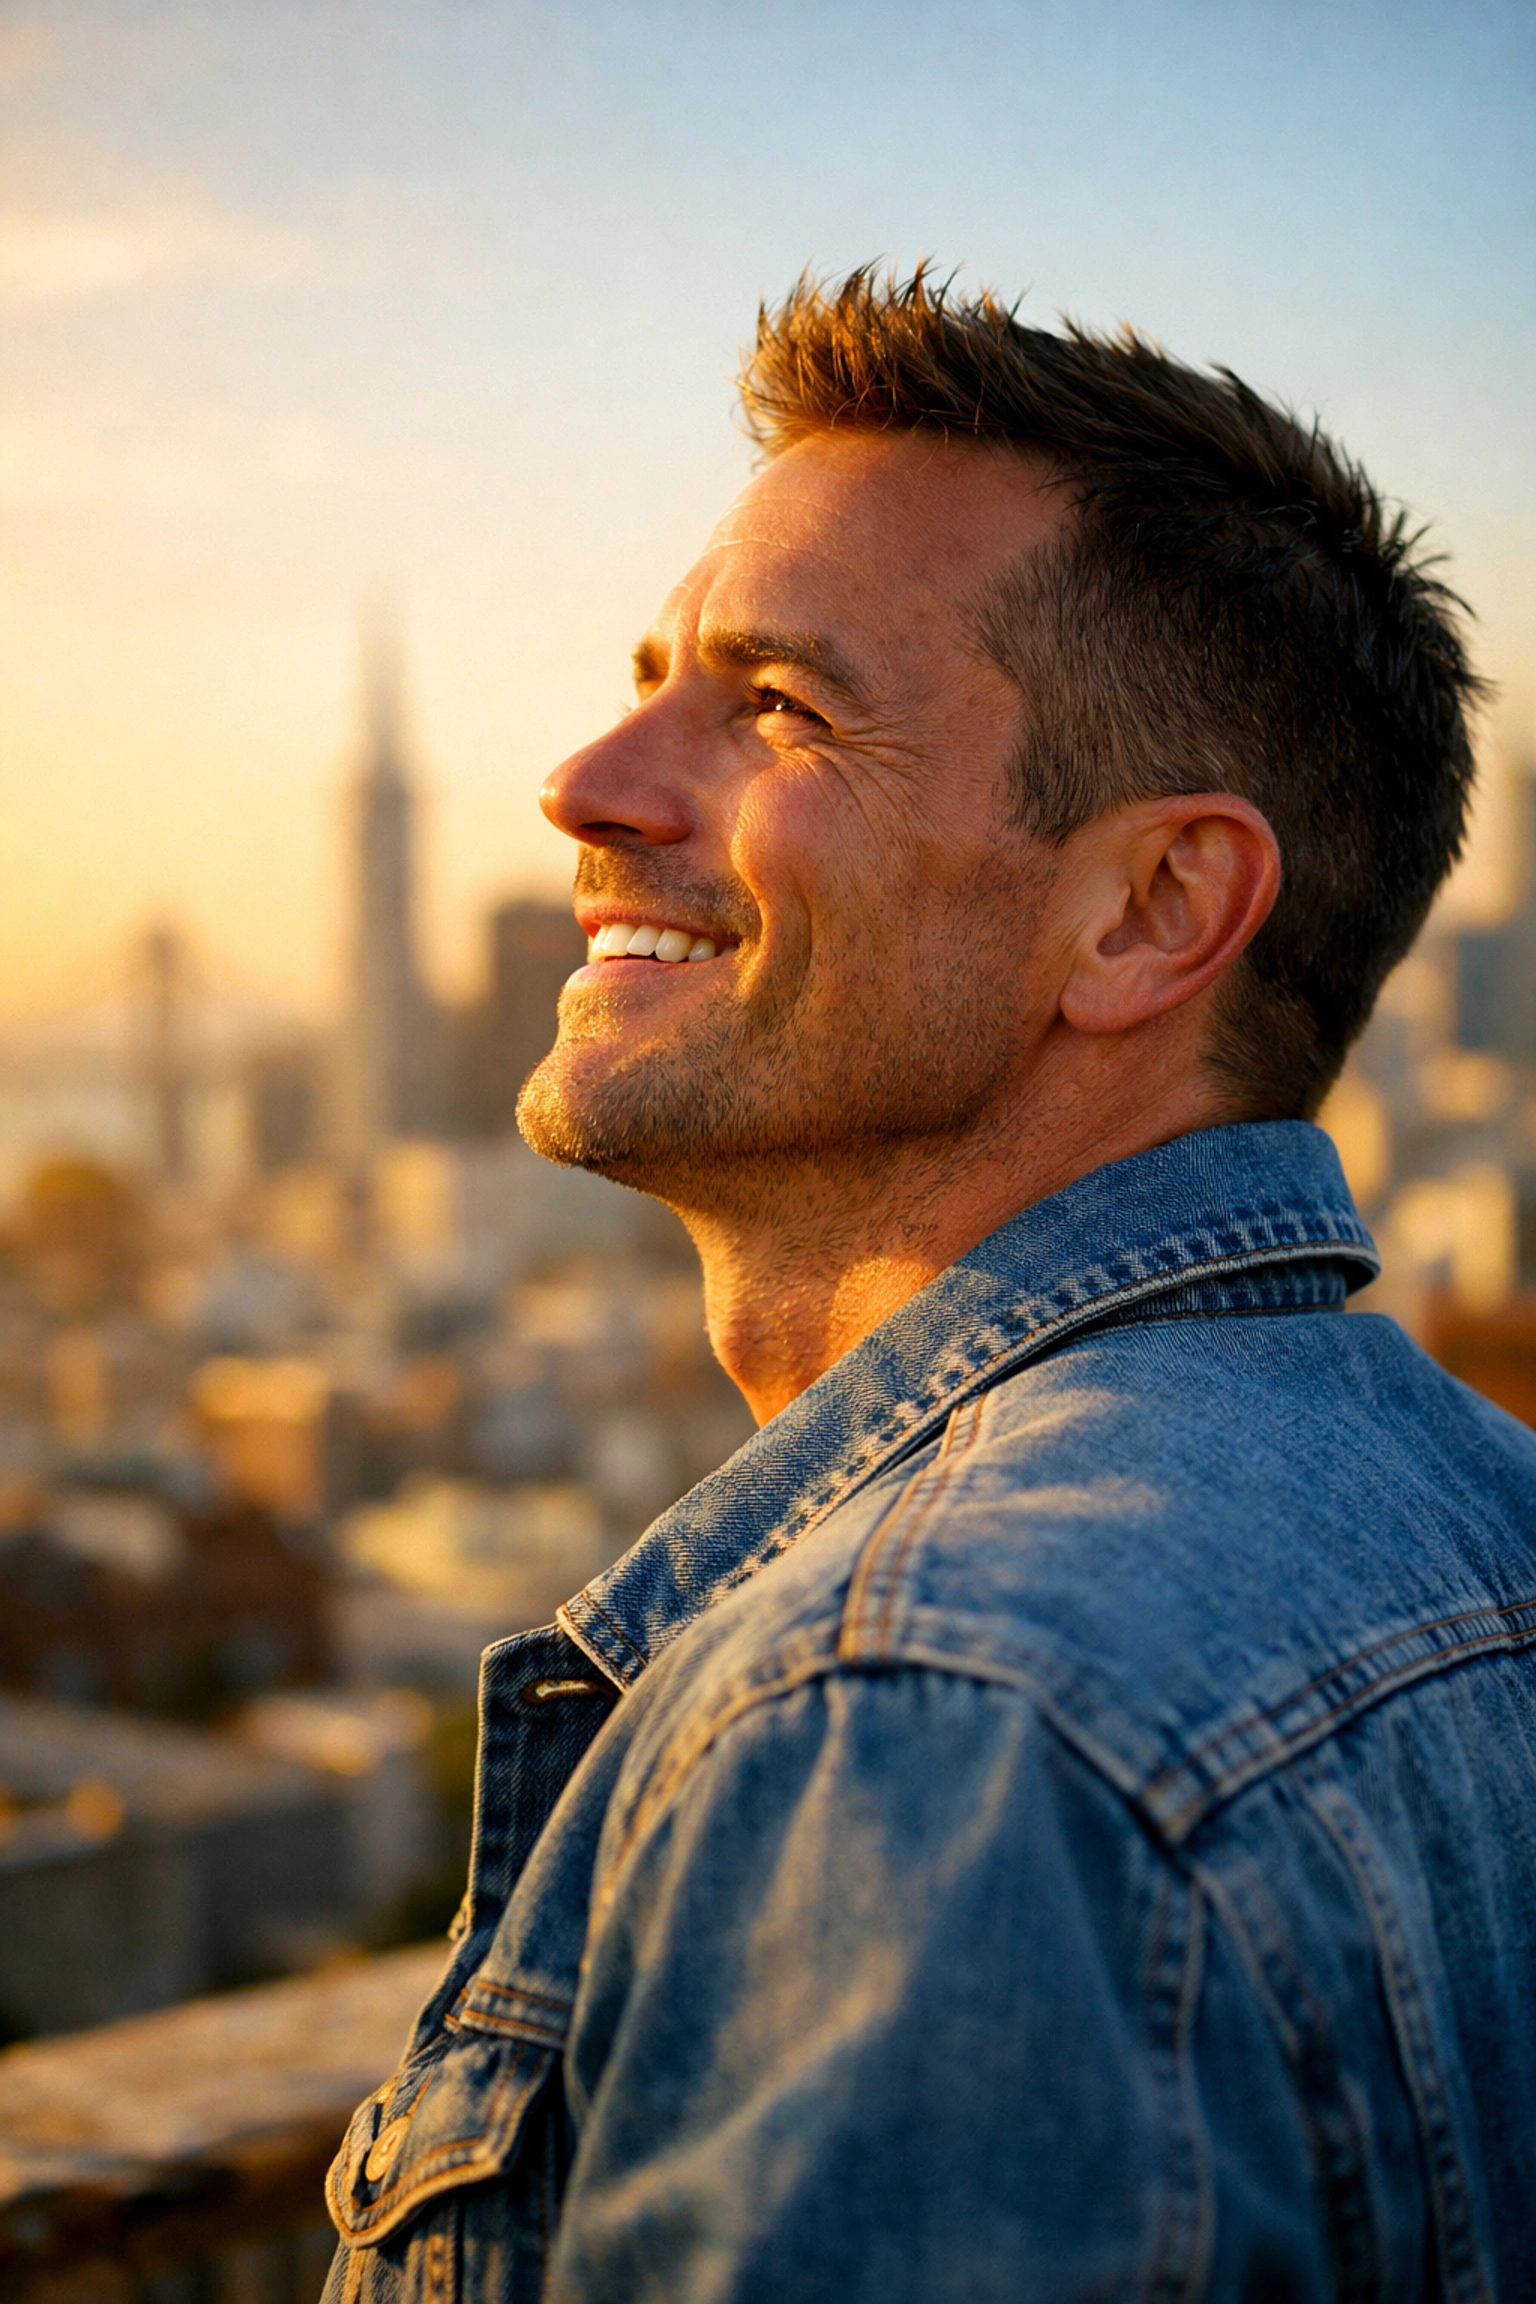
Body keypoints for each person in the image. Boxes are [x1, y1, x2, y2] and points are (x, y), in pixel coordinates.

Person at [323, 269, 1536, 2301]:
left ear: (1150, 910)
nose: (586, 785)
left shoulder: (919, 1733)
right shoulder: (1483, 1515)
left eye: (777, 709)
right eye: (649, 680)